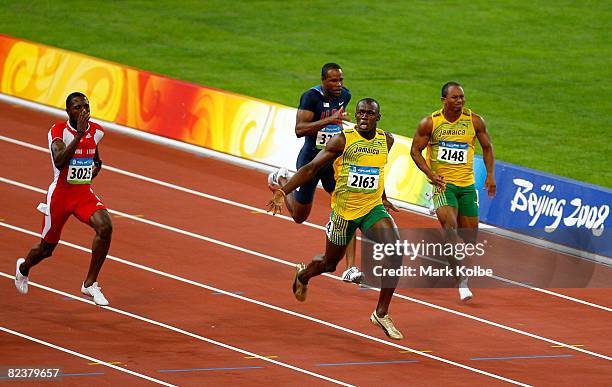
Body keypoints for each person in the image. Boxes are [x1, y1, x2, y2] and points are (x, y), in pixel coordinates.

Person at [268, 98, 404, 340]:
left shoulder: (387, 140)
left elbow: (376, 169)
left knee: (395, 249)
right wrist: (283, 191)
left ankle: (381, 313)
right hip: (343, 212)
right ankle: (303, 275)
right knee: (329, 264)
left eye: (369, 114)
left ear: (377, 118)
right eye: (360, 113)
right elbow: (310, 168)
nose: (363, 117)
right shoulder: (343, 140)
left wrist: (382, 196)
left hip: (372, 208)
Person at [14, 92, 113, 306]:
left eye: (86, 106)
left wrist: (95, 167)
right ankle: (23, 268)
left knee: (105, 227)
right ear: (68, 111)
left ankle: (89, 284)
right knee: (46, 249)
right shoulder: (58, 131)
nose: (83, 111)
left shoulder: (97, 132)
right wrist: (78, 135)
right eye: (77, 107)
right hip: (60, 196)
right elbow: (59, 161)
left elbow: (95, 157)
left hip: (83, 193)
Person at [268, 63, 363, 283]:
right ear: (323, 80)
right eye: (333, 80)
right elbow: (299, 130)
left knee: (348, 207)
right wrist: (330, 120)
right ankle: (281, 179)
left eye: (341, 80)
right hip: (310, 159)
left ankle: (350, 268)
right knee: (300, 217)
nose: (339, 85)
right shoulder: (311, 97)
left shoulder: (345, 96)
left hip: (332, 163)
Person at [410, 82, 496, 302]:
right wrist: (430, 174)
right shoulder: (430, 123)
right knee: (451, 228)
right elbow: (415, 151)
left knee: (469, 240)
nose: (460, 101)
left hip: (466, 186)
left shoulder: (474, 121)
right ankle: (462, 282)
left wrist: (490, 175)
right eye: (455, 97)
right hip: (443, 186)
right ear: (444, 100)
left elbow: (487, 147)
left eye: (462, 97)